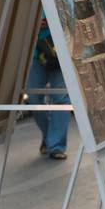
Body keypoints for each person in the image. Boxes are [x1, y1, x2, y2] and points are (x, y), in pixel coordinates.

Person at [27, 21, 69, 160]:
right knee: (33, 98)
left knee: (61, 99)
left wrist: (51, 21)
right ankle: (49, 136)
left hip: (59, 50)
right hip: (34, 53)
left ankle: (56, 145)